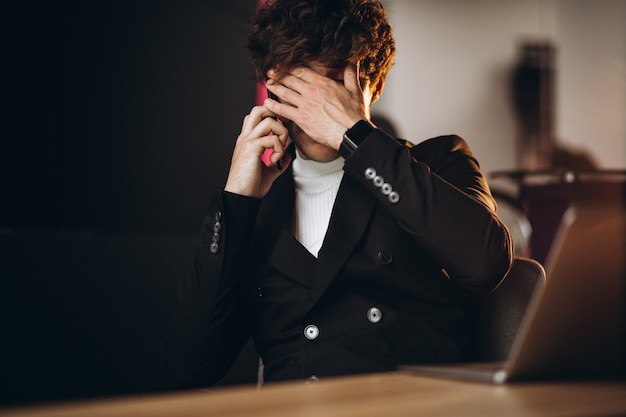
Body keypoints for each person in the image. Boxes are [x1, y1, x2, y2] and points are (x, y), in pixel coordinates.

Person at [163, 0, 513, 387]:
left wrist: (356, 136)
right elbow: (187, 368)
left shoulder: (438, 160)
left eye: (331, 88)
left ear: (373, 85)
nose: (316, 111)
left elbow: (486, 264)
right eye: (300, 90)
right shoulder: (256, 208)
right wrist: (236, 201)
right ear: (274, 90)